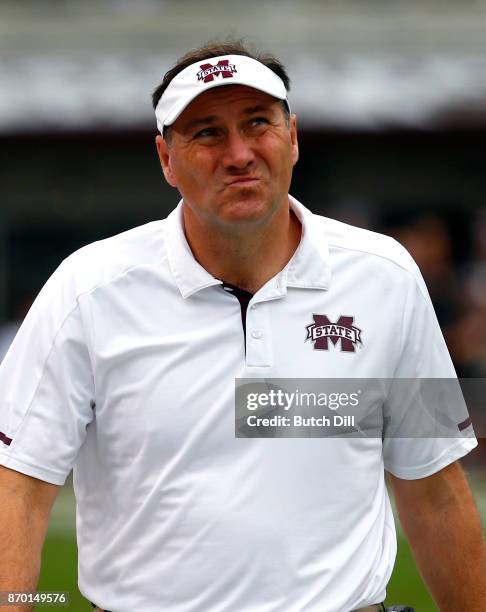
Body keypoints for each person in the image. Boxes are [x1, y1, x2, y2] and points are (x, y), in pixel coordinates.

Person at [0, 40, 485, 612]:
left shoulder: (386, 276)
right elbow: (18, 489)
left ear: (293, 137)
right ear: (166, 159)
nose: (239, 153)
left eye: (258, 123)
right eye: (206, 132)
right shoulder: (89, 289)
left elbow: (433, 488)